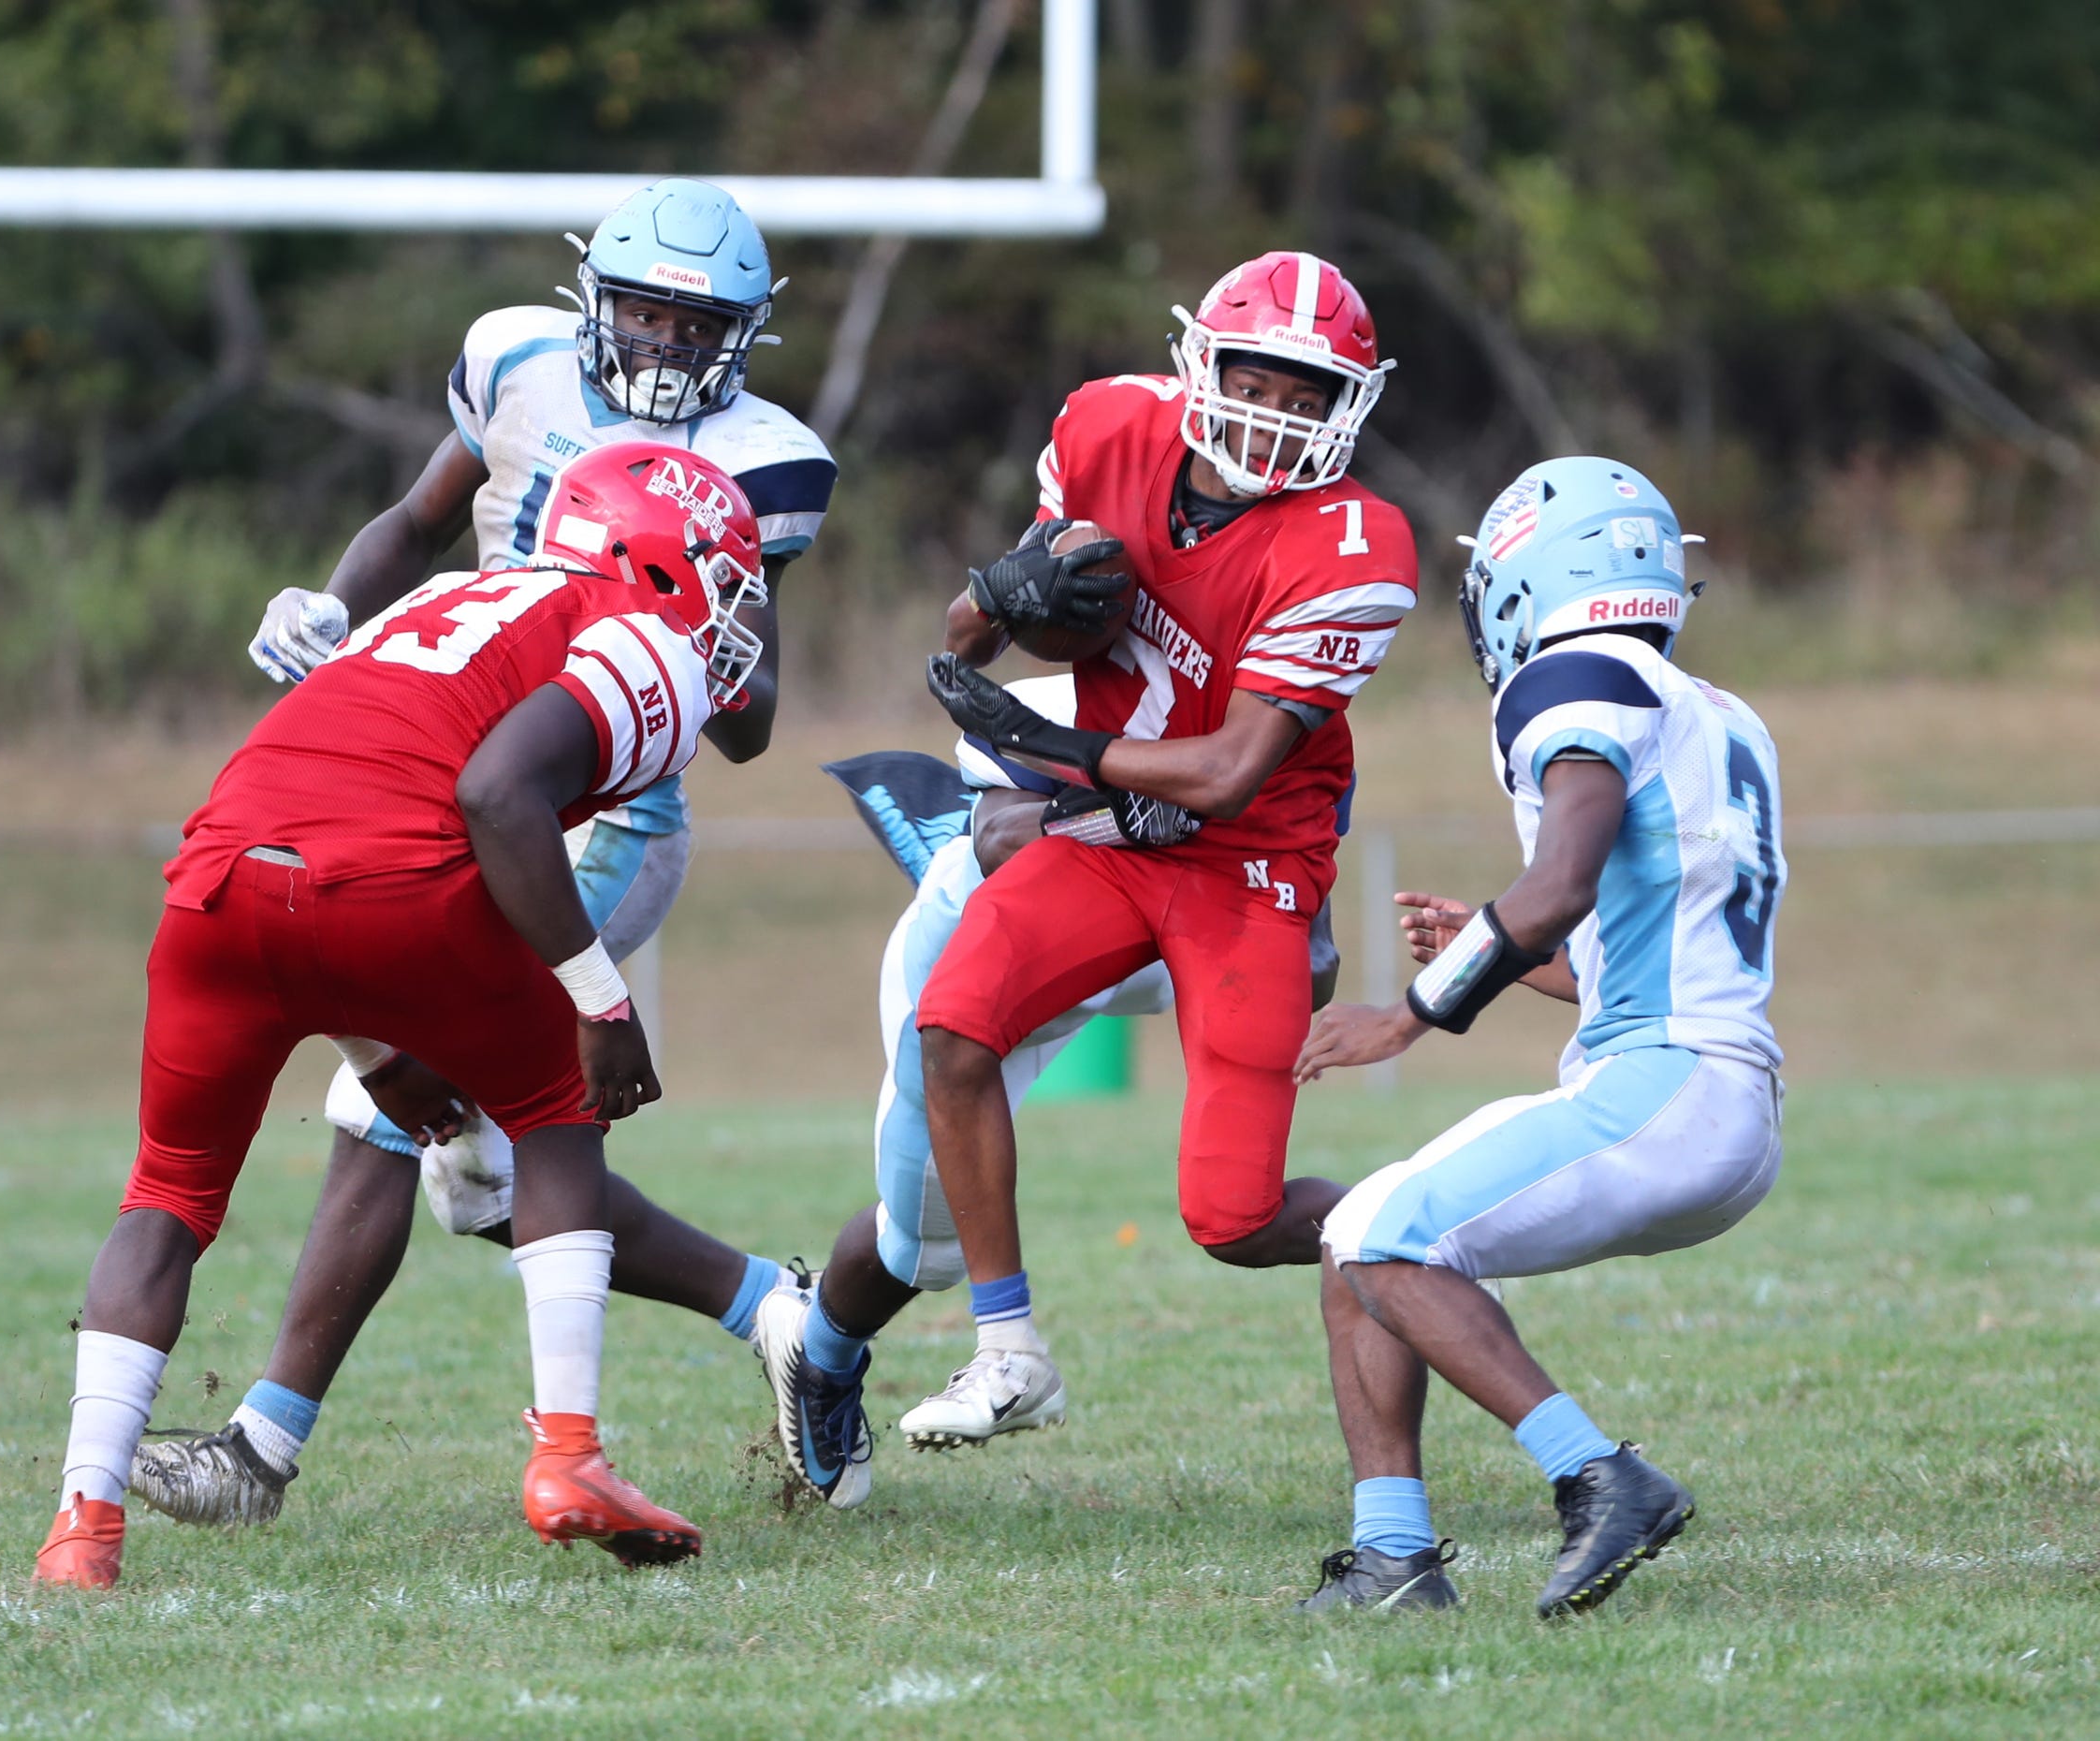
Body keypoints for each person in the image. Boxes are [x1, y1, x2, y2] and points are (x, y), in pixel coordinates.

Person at [134, 179, 835, 1527]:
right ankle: (773, 1307)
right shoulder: (512, 361)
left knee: (375, 1110)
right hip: (429, 791)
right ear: (591, 299)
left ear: (746, 334)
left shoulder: (770, 458)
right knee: (473, 1176)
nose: (669, 347)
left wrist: (687, 634)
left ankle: (259, 1455)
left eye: (702, 326)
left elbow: (746, 721)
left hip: (595, 813)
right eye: (644, 312)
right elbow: (414, 525)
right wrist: (332, 607)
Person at [34, 444, 771, 1589]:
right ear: (658, 563)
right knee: (561, 1108)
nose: (731, 615)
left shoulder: (448, 595)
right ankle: (569, 1456)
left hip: (222, 876)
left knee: (166, 1197)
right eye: (723, 580)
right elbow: (492, 793)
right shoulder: (640, 635)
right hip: (391, 882)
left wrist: (376, 1053)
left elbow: (323, 822)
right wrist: (599, 997)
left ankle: (83, 1529)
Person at [902, 251, 1418, 1449]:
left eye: (1309, 393)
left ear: (1353, 403)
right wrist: (1001, 590)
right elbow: (967, 642)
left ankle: (1424, 1228)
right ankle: (1007, 1350)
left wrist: (1048, 744)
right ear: (1203, 361)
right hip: (1114, 842)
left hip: (1250, 864)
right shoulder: (1108, 428)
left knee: (1231, 1220)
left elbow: (1233, 771)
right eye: (1261, 378)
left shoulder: (1354, 541)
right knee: (954, 1025)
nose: (1280, 415)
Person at [1293, 456, 1786, 1619]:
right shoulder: (1718, 712)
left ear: (1525, 580)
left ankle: (1599, 1473)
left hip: (1666, 1088)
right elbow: (1628, 940)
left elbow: (1559, 879)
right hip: (1712, 1094)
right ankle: (1391, 1559)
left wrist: (1412, 1014)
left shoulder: (1572, 675)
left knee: (1380, 1233)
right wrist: (1498, 947)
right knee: (1359, 1235)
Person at [759, 683, 1350, 1509]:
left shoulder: (1278, 716)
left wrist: (1276, 940)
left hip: (1151, 951)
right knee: (925, 1250)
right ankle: (816, 1344)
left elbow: (1312, 938)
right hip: (988, 945)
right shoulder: (1068, 696)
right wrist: (1118, 817)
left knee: (1235, 1202)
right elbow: (1001, 836)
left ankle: (1402, 1229)